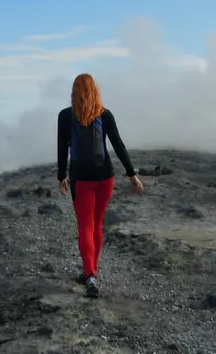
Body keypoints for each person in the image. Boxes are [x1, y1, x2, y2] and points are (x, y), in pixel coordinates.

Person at [56, 73, 143, 298]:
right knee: (97, 224)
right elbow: (118, 145)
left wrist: (61, 176)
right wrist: (131, 174)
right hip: (106, 178)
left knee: (85, 226)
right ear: (95, 90)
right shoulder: (105, 114)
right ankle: (91, 271)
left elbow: (62, 148)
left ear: (74, 91)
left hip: (81, 180)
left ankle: (90, 274)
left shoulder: (65, 116)